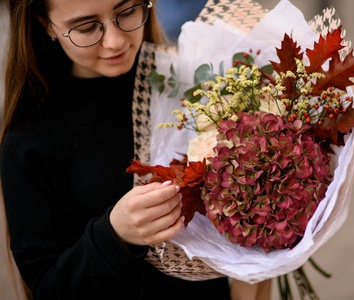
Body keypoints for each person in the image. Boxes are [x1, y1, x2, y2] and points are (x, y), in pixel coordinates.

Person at [0, 0, 230, 299]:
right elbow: (49, 286)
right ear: (46, 26)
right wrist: (115, 234)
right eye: (86, 27)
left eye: (127, 12)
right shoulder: (27, 140)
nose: (115, 41)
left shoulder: (194, 86)